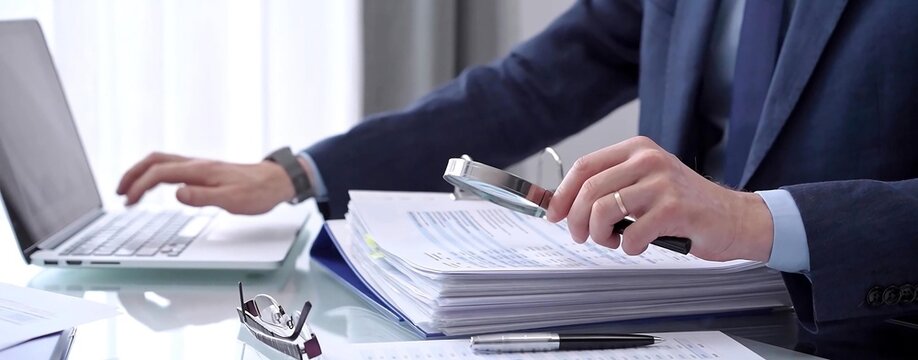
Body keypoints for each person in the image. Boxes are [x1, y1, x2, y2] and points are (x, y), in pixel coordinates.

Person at [117, 0, 918, 332]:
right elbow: (526, 90)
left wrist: (753, 221)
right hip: (661, 325)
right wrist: (299, 173)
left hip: (852, 329)